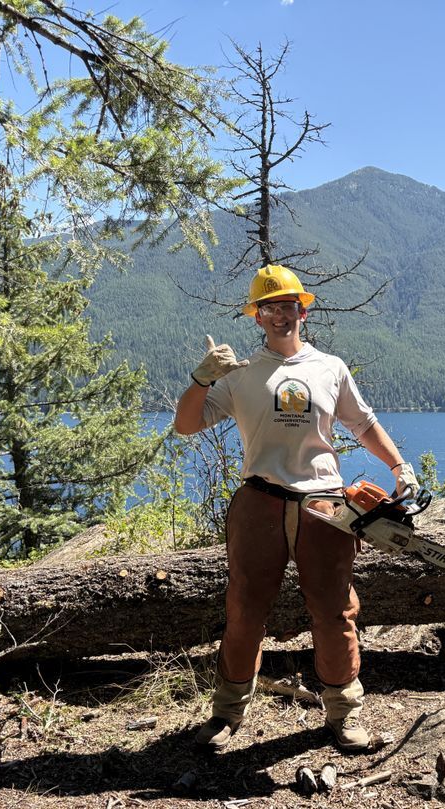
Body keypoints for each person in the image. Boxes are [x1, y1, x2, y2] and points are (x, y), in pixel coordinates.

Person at [173, 264, 419, 752]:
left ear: (302, 312)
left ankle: (344, 712)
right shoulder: (238, 376)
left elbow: (363, 424)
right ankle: (226, 714)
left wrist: (399, 466)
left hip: (325, 507)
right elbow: (186, 424)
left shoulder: (330, 368)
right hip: (258, 503)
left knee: (334, 613)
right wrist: (201, 379)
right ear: (257, 317)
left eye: (289, 306)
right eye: (271, 308)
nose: (282, 315)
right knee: (243, 609)